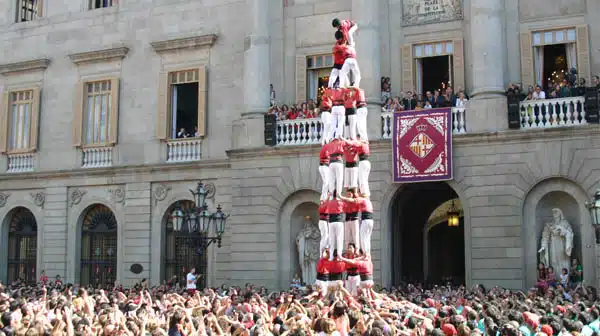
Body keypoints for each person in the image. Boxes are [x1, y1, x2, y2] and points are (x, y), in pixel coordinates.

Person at [327, 190, 345, 261]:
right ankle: (339, 256)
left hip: (331, 222)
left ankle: (331, 256)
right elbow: (345, 208)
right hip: (338, 222)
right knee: (339, 239)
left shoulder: (330, 202)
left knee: (332, 240)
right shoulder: (340, 202)